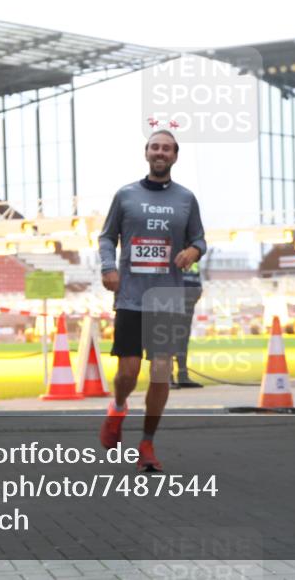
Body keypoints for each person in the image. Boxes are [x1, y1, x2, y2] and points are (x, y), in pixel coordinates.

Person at [98, 129, 206, 471]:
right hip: (130, 296)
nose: (161, 152)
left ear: (175, 156)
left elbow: (200, 240)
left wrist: (192, 250)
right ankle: (117, 408)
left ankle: (147, 443)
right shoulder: (125, 195)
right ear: (146, 153)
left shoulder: (186, 198)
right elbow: (106, 237)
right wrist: (107, 268)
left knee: (160, 373)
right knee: (127, 372)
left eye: (167, 148)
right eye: (155, 147)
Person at [171, 261, 204, 389]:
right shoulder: (173, 247)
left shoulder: (193, 252)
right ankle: (167, 376)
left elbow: (195, 274)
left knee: (183, 338)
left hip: (189, 299)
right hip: (172, 298)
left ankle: (183, 375)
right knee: (169, 337)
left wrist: (198, 290)